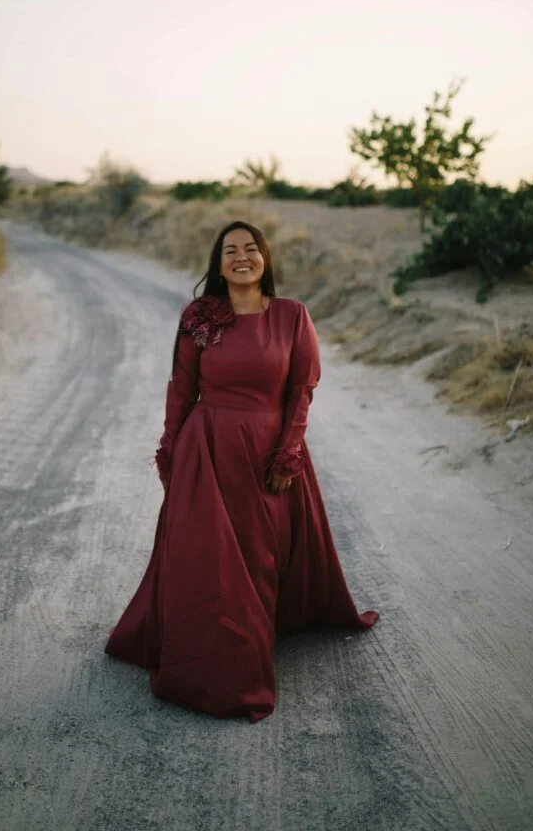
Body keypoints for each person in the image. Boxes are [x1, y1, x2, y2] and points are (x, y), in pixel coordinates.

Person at [105, 220, 378, 721]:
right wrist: (172, 447)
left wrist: (288, 453)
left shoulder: (293, 316)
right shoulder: (200, 316)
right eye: (230, 251)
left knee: (261, 555)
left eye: (251, 249)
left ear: (266, 258)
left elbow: (303, 388)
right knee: (209, 562)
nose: (241, 257)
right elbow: (181, 389)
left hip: (267, 450)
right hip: (206, 450)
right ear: (218, 263)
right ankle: (226, 666)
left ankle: (261, 631)